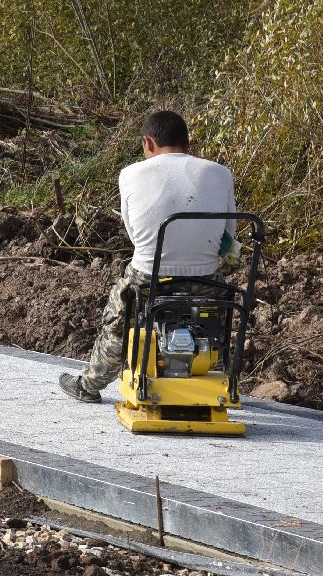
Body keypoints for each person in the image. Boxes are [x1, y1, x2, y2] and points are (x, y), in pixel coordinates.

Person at [60, 110, 237, 403]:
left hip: (149, 276)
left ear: (148, 143)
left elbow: (134, 233)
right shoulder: (220, 173)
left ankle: (90, 385)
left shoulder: (131, 174)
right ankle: (217, 375)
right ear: (187, 143)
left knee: (119, 319)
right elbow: (229, 233)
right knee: (216, 318)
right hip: (206, 279)